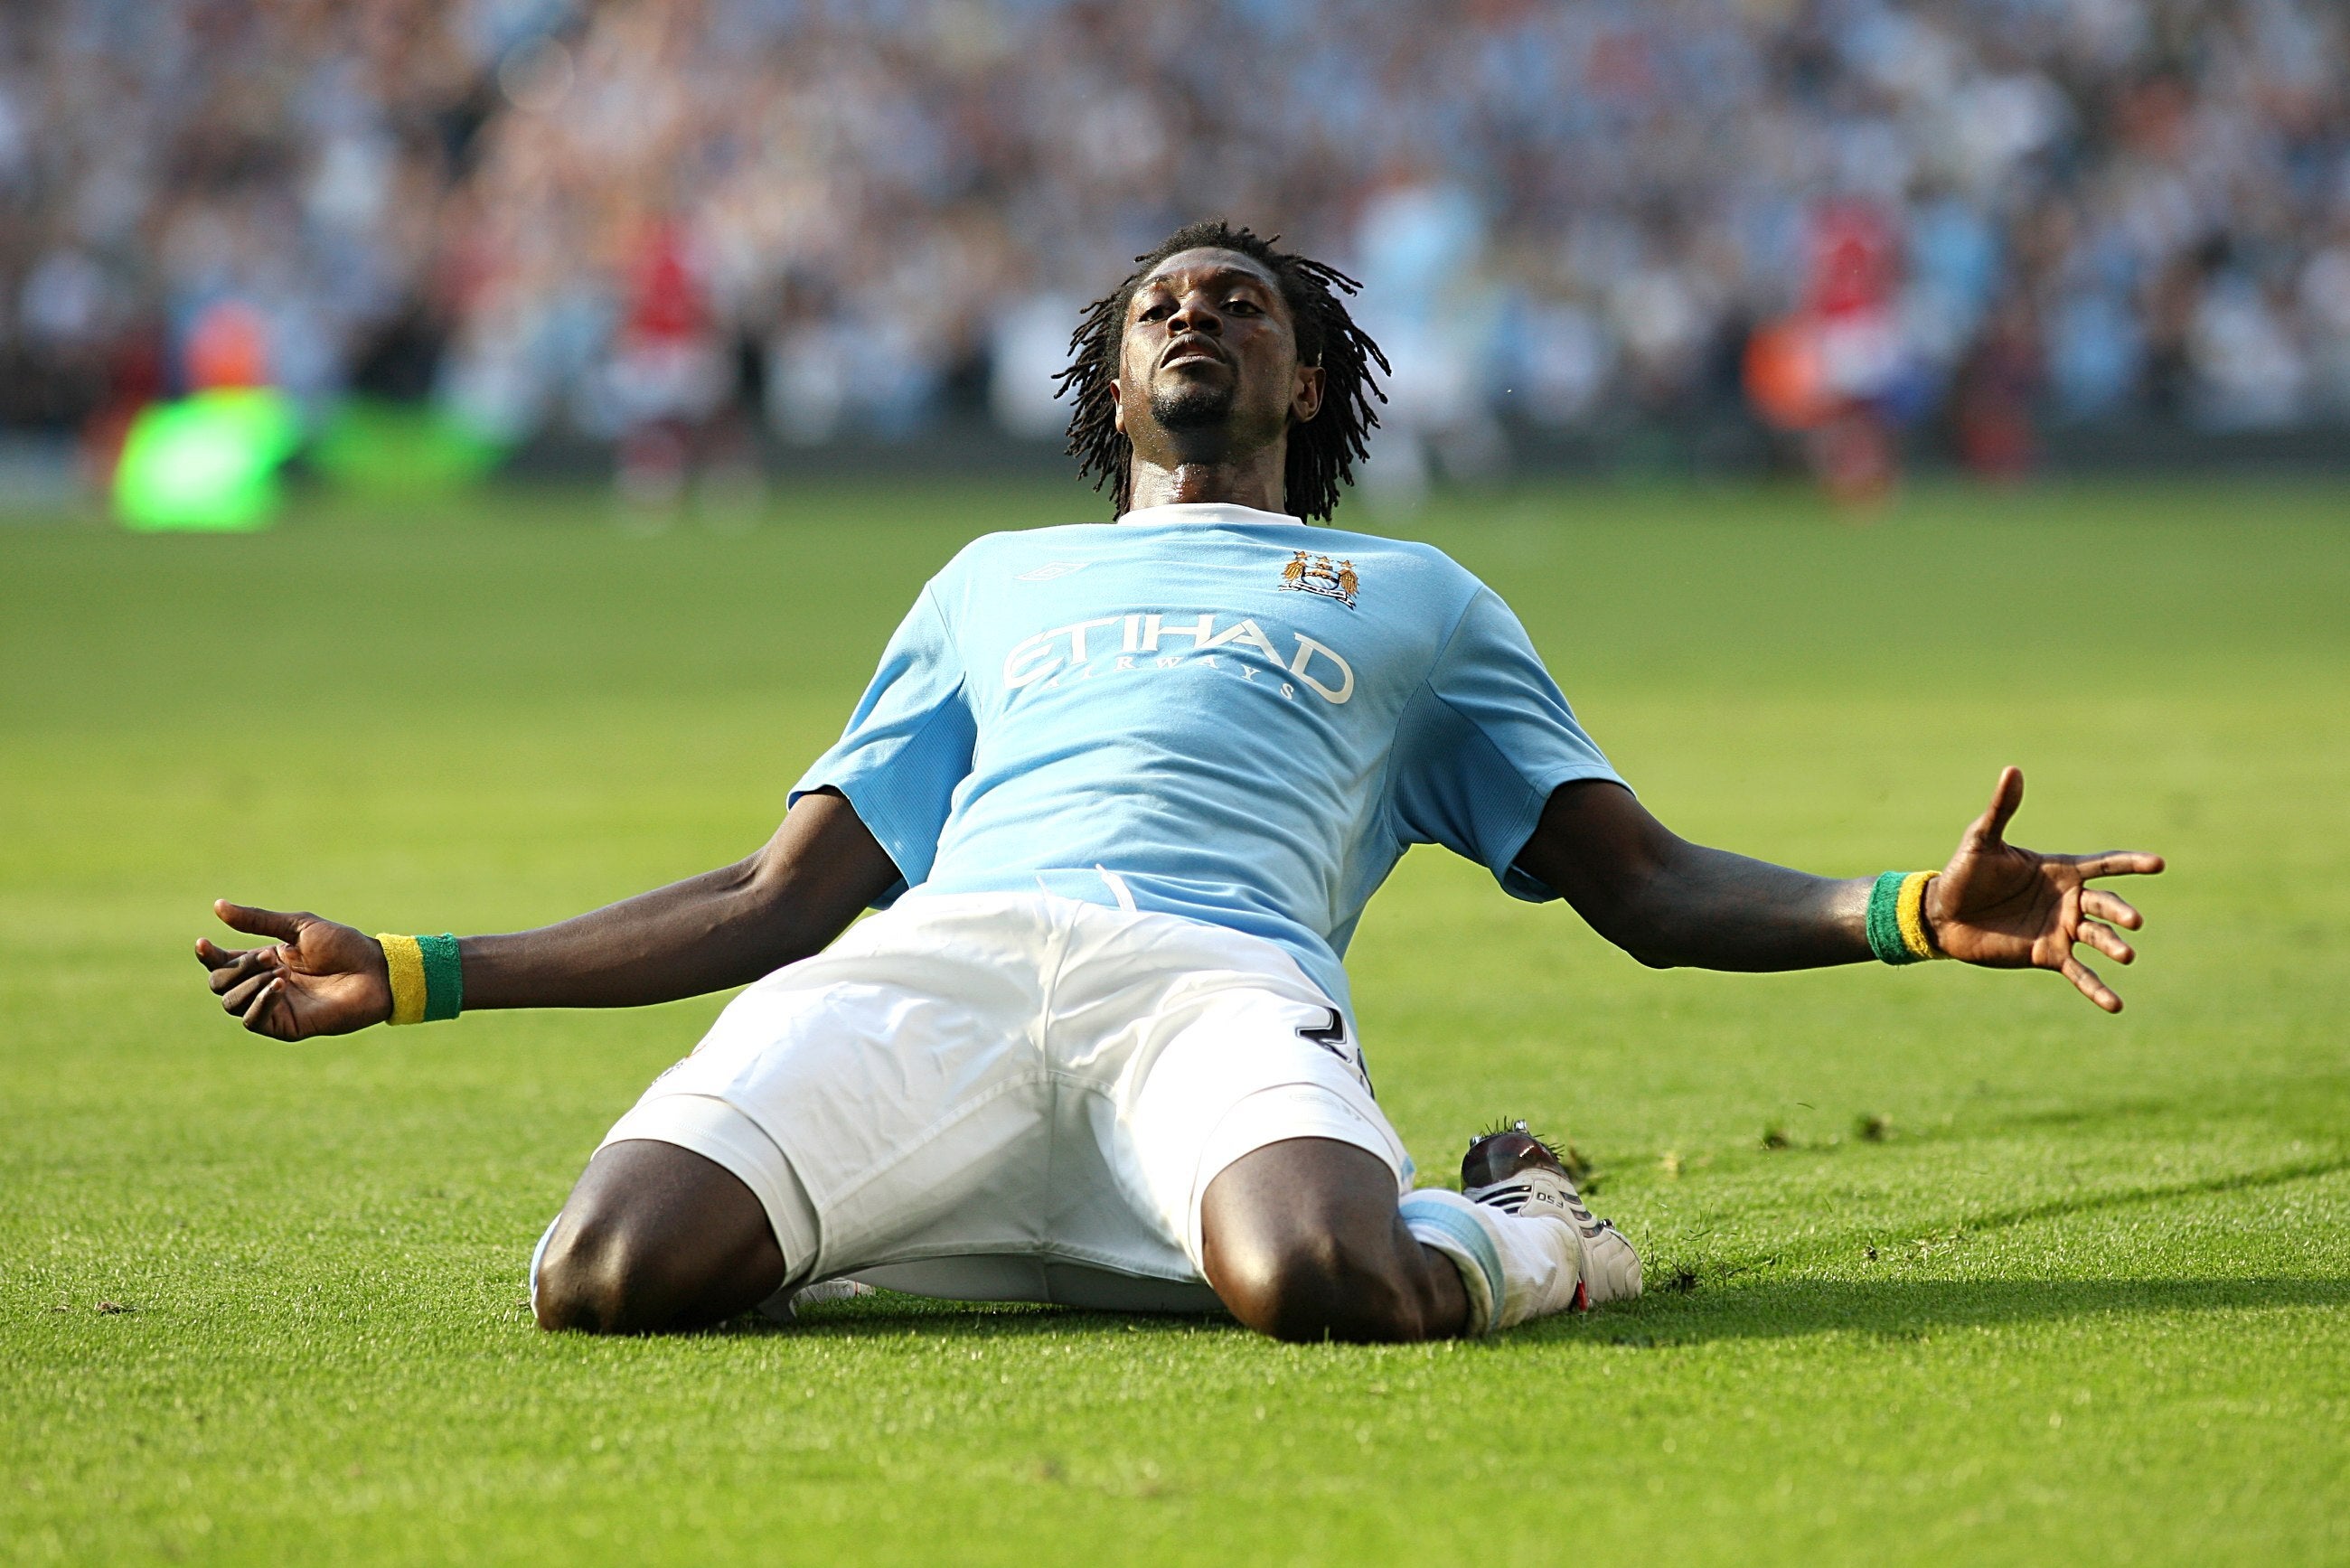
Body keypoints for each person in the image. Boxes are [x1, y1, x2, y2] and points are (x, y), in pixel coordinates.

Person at [195, 221, 2164, 1342]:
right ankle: (1017, 1205)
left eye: (1245, 302)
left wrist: (1900, 909)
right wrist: (424, 964)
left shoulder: (1419, 598)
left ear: (1310, 380)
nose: (1198, 312)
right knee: (600, 1278)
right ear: (1108, 380)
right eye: (1162, 303)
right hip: (937, 976)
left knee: (1330, 1277)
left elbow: (1639, 885)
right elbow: (770, 902)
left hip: (1207, 987)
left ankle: (1530, 1227)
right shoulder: (991, 584)